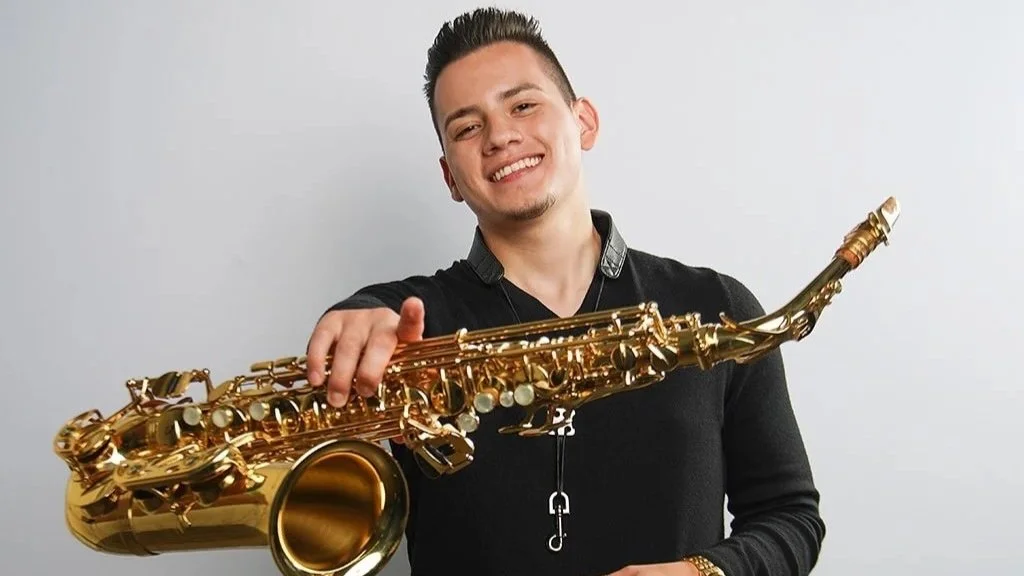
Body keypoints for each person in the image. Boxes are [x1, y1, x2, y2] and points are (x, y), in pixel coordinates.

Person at [306, 7, 825, 576]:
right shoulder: (407, 329)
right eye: (467, 127)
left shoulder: (715, 307)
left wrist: (707, 572)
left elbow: (789, 515)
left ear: (584, 122)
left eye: (523, 105)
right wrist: (354, 318)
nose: (500, 136)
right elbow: (368, 315)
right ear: (450, 175)